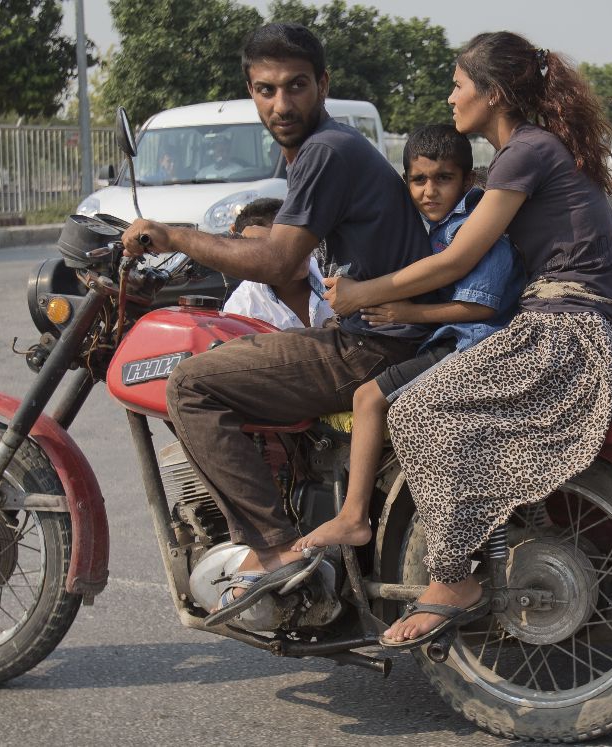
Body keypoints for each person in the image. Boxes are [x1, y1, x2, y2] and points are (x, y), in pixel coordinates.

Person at [121, 23, 434, 622]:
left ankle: (276, 551)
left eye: (295, 87)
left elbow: (278, 259)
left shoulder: (325, 150)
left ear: (323, 84)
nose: (281, 104)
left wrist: (176, 234)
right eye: (265, 90)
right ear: (250, 90)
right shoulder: (315, 150)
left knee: (190, 384)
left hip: (375, 341)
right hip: (380, 333)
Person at [323, 31, 612, 647]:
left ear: (491, 93)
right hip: (567, 318)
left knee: (416, 411)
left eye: (459, 84)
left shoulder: (524, 152)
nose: (451, 95)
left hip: (565, 329)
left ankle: (452, 577)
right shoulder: (537, 149)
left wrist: (364, 293)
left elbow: (457, 260)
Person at [292, 124, 523, 551]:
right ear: (405, 183)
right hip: (449, 341)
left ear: (467, 181)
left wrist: (406, 312)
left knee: (368, 397)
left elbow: (482, 308)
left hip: (471, 344)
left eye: (443, 179)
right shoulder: (431, 228)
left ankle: (354, 516)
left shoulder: (473, 230)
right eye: (419, 180)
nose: (429, 191)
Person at [222, 197, 334, 329]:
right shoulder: (243, 307)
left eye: (302, 237)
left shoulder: (337, 275)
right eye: (282, 245)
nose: (299, 249)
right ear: (252, 251)